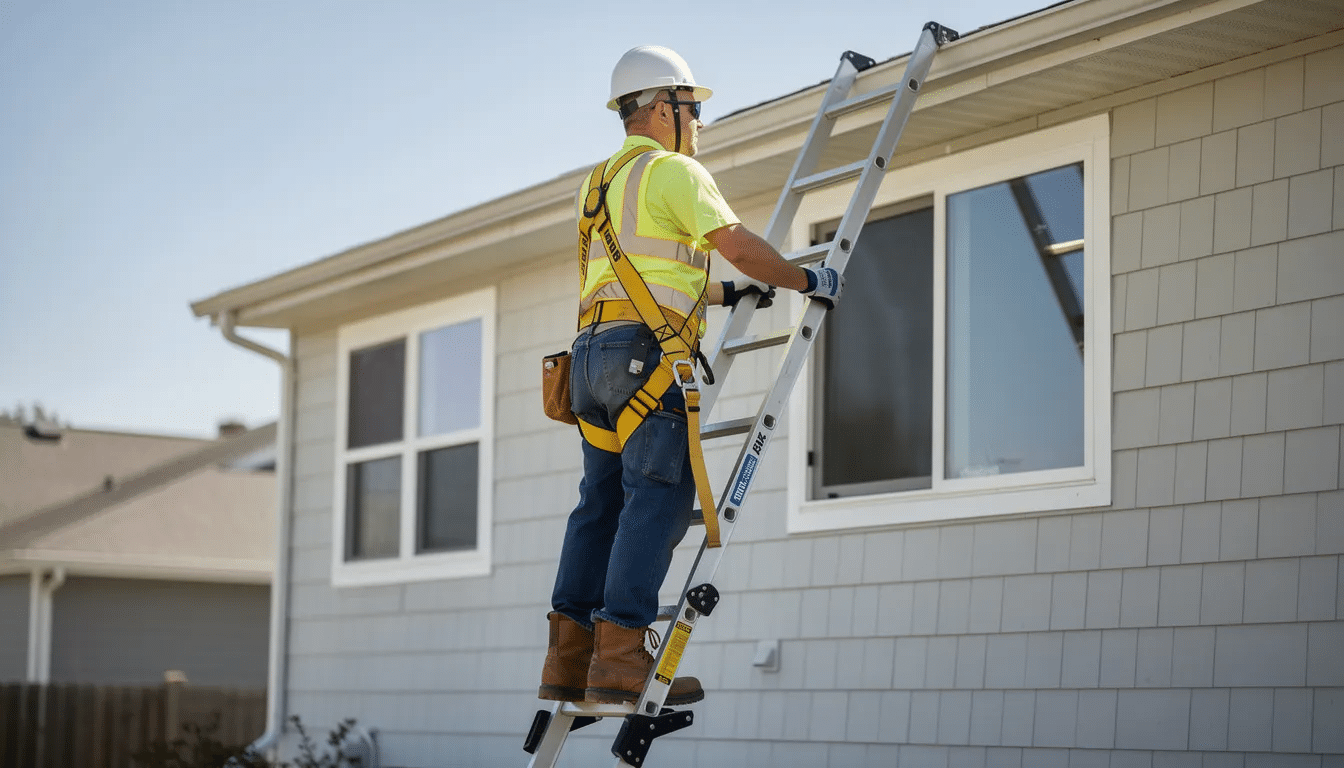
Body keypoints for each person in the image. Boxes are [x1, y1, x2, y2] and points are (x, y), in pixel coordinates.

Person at [539, 45, 843, 707]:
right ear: (661, 106)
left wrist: (723, 295)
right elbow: (735, 242)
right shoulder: (675, 171)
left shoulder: (596, 185)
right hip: (646, 361)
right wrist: (805, 278)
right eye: (694, 106)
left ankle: (570, 659)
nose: (700, 120)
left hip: (590, 361)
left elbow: (634, 280)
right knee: (659, 498)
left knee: (600, 506)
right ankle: (621, 655)